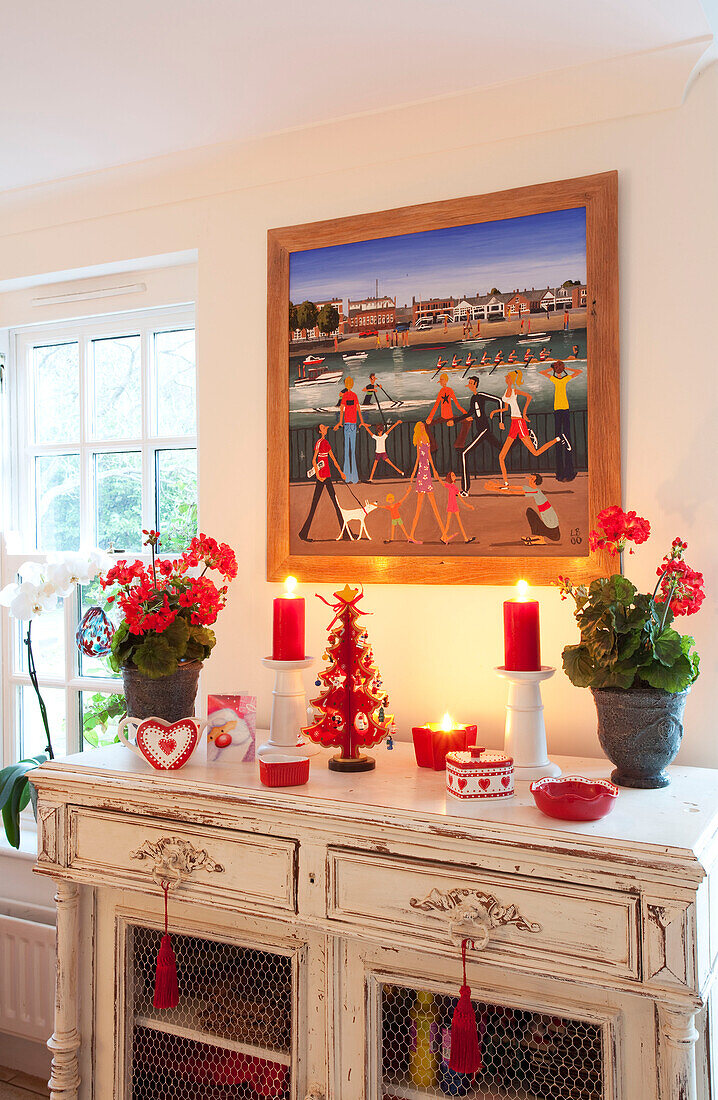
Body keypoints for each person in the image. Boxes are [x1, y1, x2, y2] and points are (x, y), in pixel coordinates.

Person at [489, 369, 561, 487]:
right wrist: (495, 411)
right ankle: (506, 483)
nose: (505, 378)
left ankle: (556, 439)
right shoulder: (506, 391)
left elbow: (529, 396)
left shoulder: (514, 391)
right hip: (513, 424)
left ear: (511, 379)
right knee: (501, 456)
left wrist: (524, 413)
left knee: (536, 453)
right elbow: (506, 408)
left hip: (520, 423)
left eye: (507, 377)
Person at [454, 376, 503, 494]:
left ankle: (465, 489)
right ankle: (524, 438)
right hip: (482, 430)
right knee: (503, 448)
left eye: (471, 383)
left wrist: (501, 420)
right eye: (469, 383)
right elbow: (471, 412)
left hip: (484, 430)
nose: (469, 385)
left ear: (475, 384)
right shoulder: (473, 398)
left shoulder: (481, 395)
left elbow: (500, 401)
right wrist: (455, 421)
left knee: (464, 453)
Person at [298, 424, 346, 541]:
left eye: (325, 427)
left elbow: (333, 459)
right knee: (314, 505)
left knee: (336, 503)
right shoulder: (319, 442)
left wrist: (340, 472)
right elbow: (314, 460)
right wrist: (318, 476)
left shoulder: (326, 443)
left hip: (328, 476)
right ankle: (303, 534)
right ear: (320, 431)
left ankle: (346, 533)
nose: (325, 428)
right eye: (323, 428)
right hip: (321, 477)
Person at [539, 359, 581, 481]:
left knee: (558, 440)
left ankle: (560, 474)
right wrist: (564, 368)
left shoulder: (556, 380)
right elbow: (578, 371)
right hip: (564, 410)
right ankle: (568, 472)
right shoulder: (564, 379)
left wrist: (554, 368)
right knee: (567, 440)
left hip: (558, 410)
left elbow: (542, 372)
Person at [408, 421, 445, 543]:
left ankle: (444, 534)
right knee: (419, 508)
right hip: (422, 473)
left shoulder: (426, 438)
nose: (423, 427)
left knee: (434, 506)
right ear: (418, 429)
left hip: (427, 472)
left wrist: (434, 470)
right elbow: (419, 458)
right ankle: (412, 535)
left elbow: (429, 456)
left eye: (423, 426)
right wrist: (413, 474)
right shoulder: (419, 439)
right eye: (421, 426)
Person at [333, 376, 365, 483]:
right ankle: (354, 478)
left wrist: (339, 423)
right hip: (353, 424)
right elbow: (358, 409)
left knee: (347, 450)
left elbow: (342, 411)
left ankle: (347, 478)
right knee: (352, 450)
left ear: (346, 384)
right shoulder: (354, 395)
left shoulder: (345, 396)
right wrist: (362, 422)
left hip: (347, 425)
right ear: (352, 384)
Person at [521, 474, 561, 544]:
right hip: (552, 528)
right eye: (530, 478)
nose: (530, 480)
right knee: (530, 511)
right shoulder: (535, 490)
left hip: (552, 531)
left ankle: (540, 539)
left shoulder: (536, 492)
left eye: (532, 479)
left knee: (530, 512)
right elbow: (517, 488)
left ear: (535, 482)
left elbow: (513, 492)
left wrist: (497, 488)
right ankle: (539, 538)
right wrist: (499, 487)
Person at [443, 471, 476, 543]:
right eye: (452, 475)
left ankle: (465, 538)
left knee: (456, 522)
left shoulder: (454, 487)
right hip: (452, 506)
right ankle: (464, 538)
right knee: (450, 523)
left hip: (454, 505)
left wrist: (468, 505)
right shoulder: (451, 486)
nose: (454, 476)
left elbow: (461, 499)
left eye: (454, 475)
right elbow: (442, 484)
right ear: (450, 478)